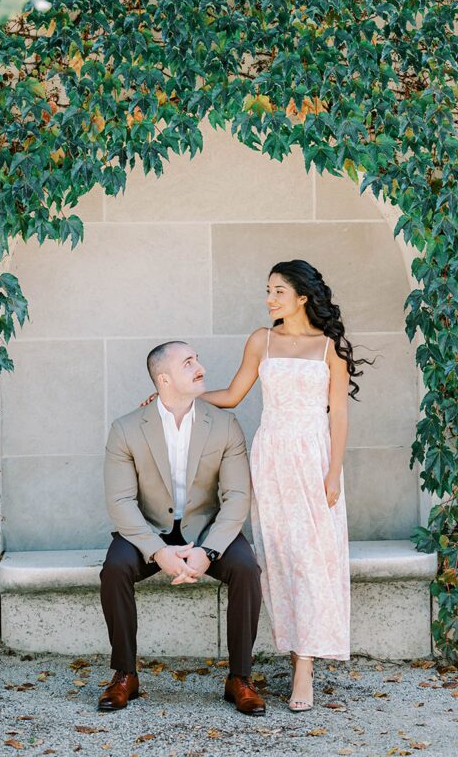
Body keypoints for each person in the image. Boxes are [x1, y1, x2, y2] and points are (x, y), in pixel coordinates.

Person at [198, 259, 363, 712]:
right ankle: (293, 649)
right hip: (270, 457)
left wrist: (333, 472)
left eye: (278, 291)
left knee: (313, 559)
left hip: (314, 459)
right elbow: (233, 395)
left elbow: (339, 414)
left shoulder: (327, 347)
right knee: (281, 558)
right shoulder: (261, 340)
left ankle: (304, 668)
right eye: (267, 290)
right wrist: (183, 397)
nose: (269, 298)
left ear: (302, 297)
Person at [99, 340, 265, 716]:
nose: (200, 367)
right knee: (114, 569)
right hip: (148, 532)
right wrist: (157, 551)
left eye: (197, 360)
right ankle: (124, 675)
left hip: (207, 530)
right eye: (188, 362)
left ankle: (240, 678)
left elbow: (237, 497)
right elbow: (120, 503)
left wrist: (207, 553)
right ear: (164, 378)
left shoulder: (224, 425)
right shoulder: (126, 429)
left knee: (245, 568)